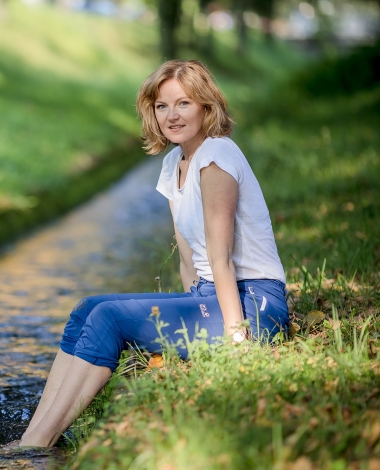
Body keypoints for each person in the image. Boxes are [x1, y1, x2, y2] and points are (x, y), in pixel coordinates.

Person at [19, 60, 289, 448]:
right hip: (210, 296)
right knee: (86, 310)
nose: (172, 116)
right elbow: (188, 260)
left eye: (183, 104)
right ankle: (35, 433)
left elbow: (220, 258)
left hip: (254, 304)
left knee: (110, 319)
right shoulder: (174, 164)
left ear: (206, 107)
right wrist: (190, 307)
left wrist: (236, 340)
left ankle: (36, 446)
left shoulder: (216, 158)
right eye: (162, 106)